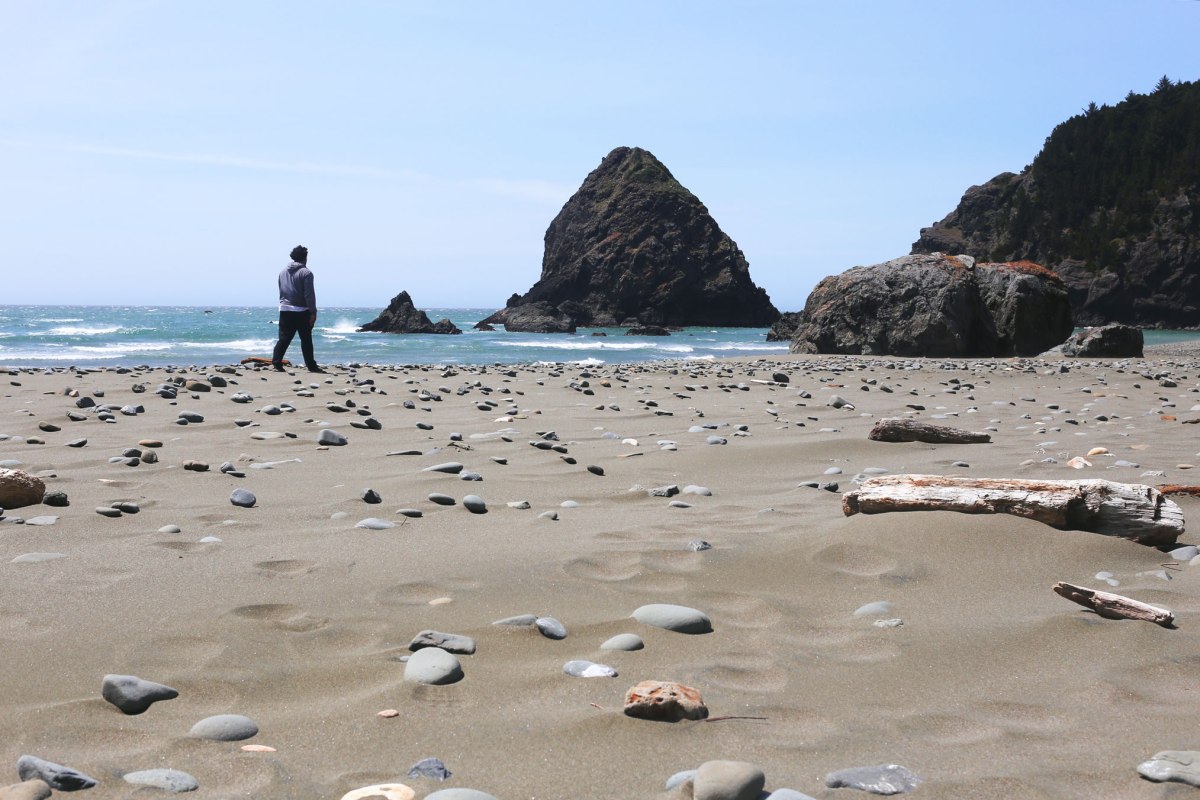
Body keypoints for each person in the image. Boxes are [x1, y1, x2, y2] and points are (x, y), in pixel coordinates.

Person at [272, 245, 324, 373]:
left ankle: (276, 362)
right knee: (306, 339)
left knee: (284, 338)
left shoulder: (282, 271)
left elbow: (281, 289)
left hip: (285, 308)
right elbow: (309, 294)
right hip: (301, 310)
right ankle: (311, 365)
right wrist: (313, 312)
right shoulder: (306, 273)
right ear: (305, 257)